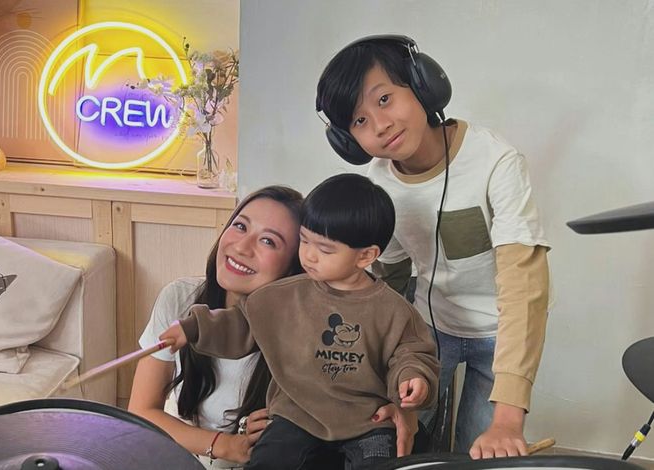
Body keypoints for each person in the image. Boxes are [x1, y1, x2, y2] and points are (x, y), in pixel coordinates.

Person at [315, 35, 550, 459]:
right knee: (393, 439)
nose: (380, 125)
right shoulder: (380, 183)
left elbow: (524, 286)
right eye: (360, 120)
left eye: (384, 99)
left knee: (479, 451)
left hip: (501, 332)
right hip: (428, 328)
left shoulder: (496, 161)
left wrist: (507, 419)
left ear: (423, 85)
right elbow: (387, 280)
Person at [160, 174, 440, 470]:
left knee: (384, 462)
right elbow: (240, 324)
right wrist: (193, 328)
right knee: (268, 461)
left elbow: (411, 352)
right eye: (304, 240)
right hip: (297, 416)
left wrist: (413, 377)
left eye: (324, 249)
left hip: (368, 420)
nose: (309, 255)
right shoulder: (281, 296)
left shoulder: (394, 310)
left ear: (366, 255)